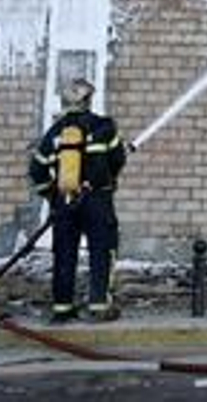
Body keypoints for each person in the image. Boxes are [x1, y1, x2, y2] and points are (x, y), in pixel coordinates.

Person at [28, 77, 128, 323]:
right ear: (88, 100)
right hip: (97, 200)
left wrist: (53, 196)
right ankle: (98, 305)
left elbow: (37, 170)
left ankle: (62, 308)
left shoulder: (54, 132)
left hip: (65, 202)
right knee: (101, 250)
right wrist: (107, 180)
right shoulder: (104, 127)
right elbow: (118, 160)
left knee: (64, 253)